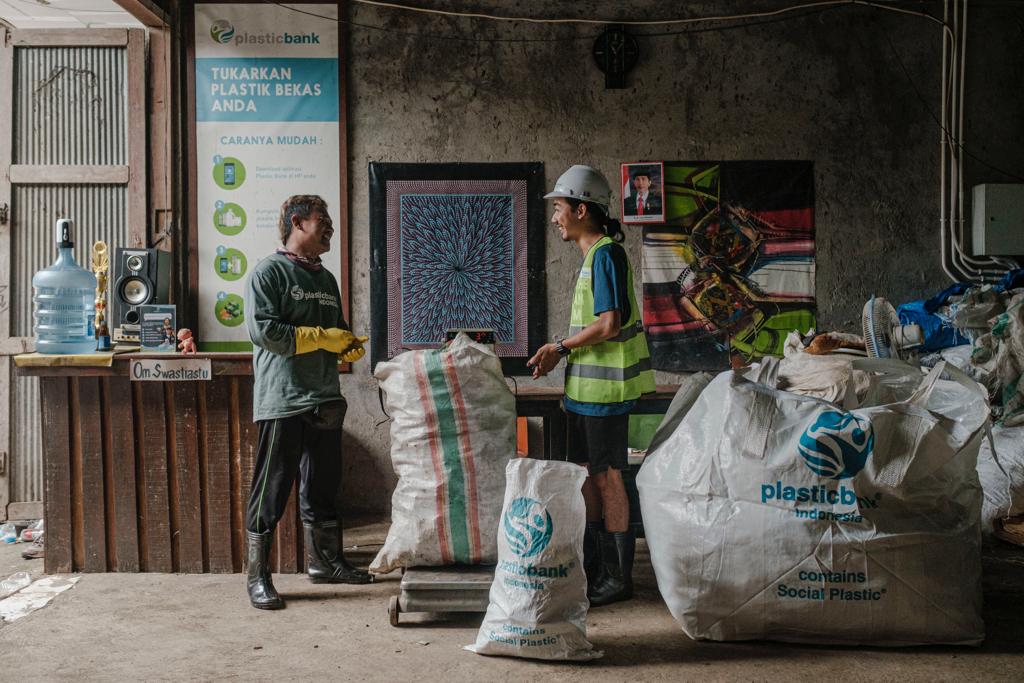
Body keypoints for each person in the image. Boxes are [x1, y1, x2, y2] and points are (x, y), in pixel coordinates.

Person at [528, 165, 656, 607]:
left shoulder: (605, 255)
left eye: (559, 208)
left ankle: (618, 578)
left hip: (605, 396)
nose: (555, 217)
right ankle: (599, 568)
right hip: (585, 395)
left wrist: (559, 346)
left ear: (582, 209)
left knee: (608, 479)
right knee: (590, 478)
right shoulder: (594, 257)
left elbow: (608, 325)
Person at [243, 194, 371, 610]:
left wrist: (346, 345)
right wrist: (319, 338)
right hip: (283, 400)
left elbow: (337, 329)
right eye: (323, 219)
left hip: (325, 398)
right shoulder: (268, 272)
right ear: (297, 223)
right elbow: (265, 331)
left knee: (323, 486)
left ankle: (327, 563)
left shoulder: (326, 278)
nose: (330, 225)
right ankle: (257, 576)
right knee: (272, 488)